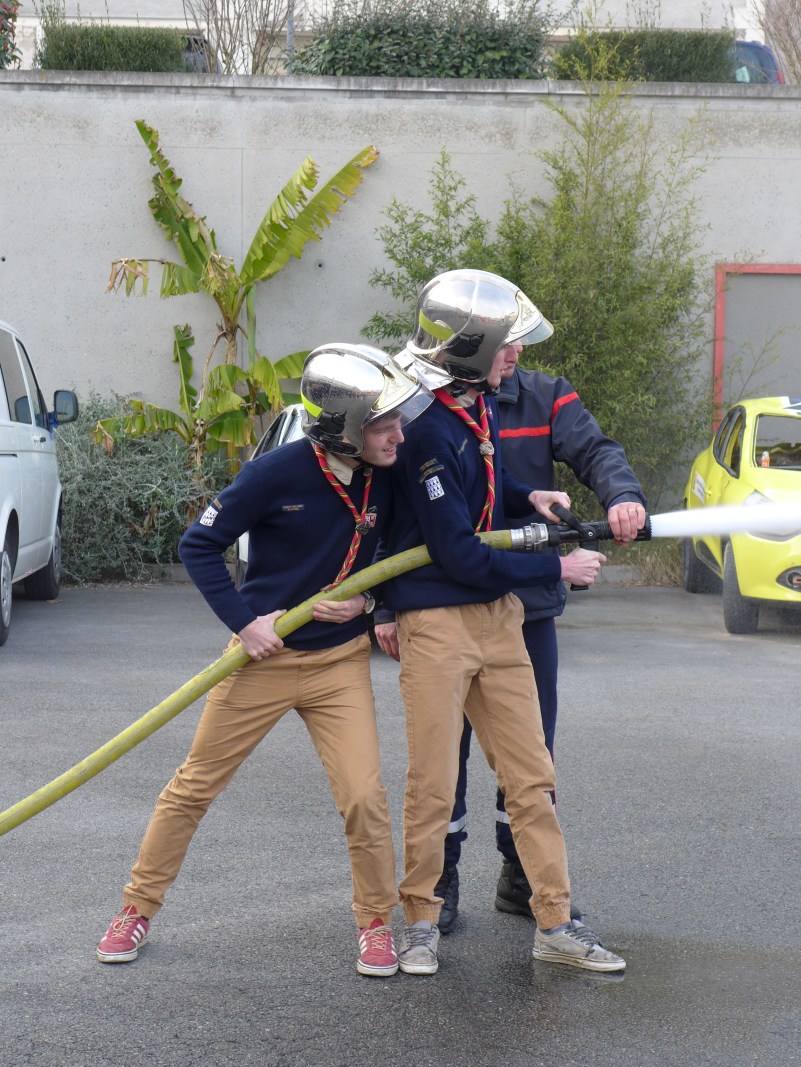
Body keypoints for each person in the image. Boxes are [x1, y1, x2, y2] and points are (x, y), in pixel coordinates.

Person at [96, 343, 433, 976]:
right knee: (193, 788)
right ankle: (136, 908)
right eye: (383, 424)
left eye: (397, 421)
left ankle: (375, 923)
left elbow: (405, 550)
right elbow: (199, 545)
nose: (398, 435)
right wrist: (245, 625)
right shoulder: (275, 473)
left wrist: (368, 605)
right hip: (262, 659)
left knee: (365, 797)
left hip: (338, 664)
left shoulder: (390, 472)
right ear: (345, 430)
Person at [379, 267, 627, 975]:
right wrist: (556, 569)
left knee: (532, 778)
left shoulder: (473, 406)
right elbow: (458, 551)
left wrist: (529, 495)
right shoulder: (422, 426)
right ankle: (420, 922)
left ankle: (554, 921)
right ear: (468, 350)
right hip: (437, 621)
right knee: (433, 781)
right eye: (505, 343)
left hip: (499, 618)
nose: (516, 353)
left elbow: (481, 477)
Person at [433, 345, 647, 934]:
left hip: (526, 606)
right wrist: (383, 604)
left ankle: (521, 874)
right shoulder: (432, 401)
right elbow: (394, 494)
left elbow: (596, 450)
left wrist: (623, 497)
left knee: (531, 751)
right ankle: (440, 877)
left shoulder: (546, 395)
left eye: (519, 336)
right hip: (446, 605)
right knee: (443, 752)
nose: (518, 349)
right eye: (506, 338)